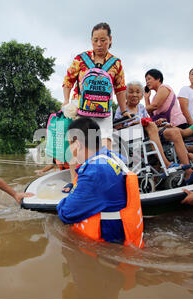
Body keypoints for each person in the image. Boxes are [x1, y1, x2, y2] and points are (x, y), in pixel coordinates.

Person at [61, 22, 128, 192]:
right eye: (95, 40)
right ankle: (75, 182)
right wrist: (65, 101)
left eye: (103, 40)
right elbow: (68, 80)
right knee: (77, 145)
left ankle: (100, 182)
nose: (99, 44)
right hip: (81, 108)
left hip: (104, 112)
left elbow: (120, 89)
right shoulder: (80, 59)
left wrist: (124, 110)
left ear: (110, 40)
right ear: (91, 40)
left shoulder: (116, 63)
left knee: (104, 147)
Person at [57, 118, 144, 247]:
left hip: (113, 245)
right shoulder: (112, 156)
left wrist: (65, 200)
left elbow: (67, 213)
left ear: (77, 144)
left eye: (69, 144)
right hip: (126, 236)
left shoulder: (94, 171)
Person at [115, 81, 173, 168]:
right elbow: (117, 126)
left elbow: (147, 121)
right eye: (131, 92)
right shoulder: (122, 108)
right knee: (151, 126)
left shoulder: (141, 107)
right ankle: (165, 162)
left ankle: (162, 163)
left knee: (169, 128)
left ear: (141, 95)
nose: (135, 95)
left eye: (138, 92)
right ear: (125, 95)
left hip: (145, 134)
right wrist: (130, 125)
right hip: (129, 136)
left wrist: (160, 124)